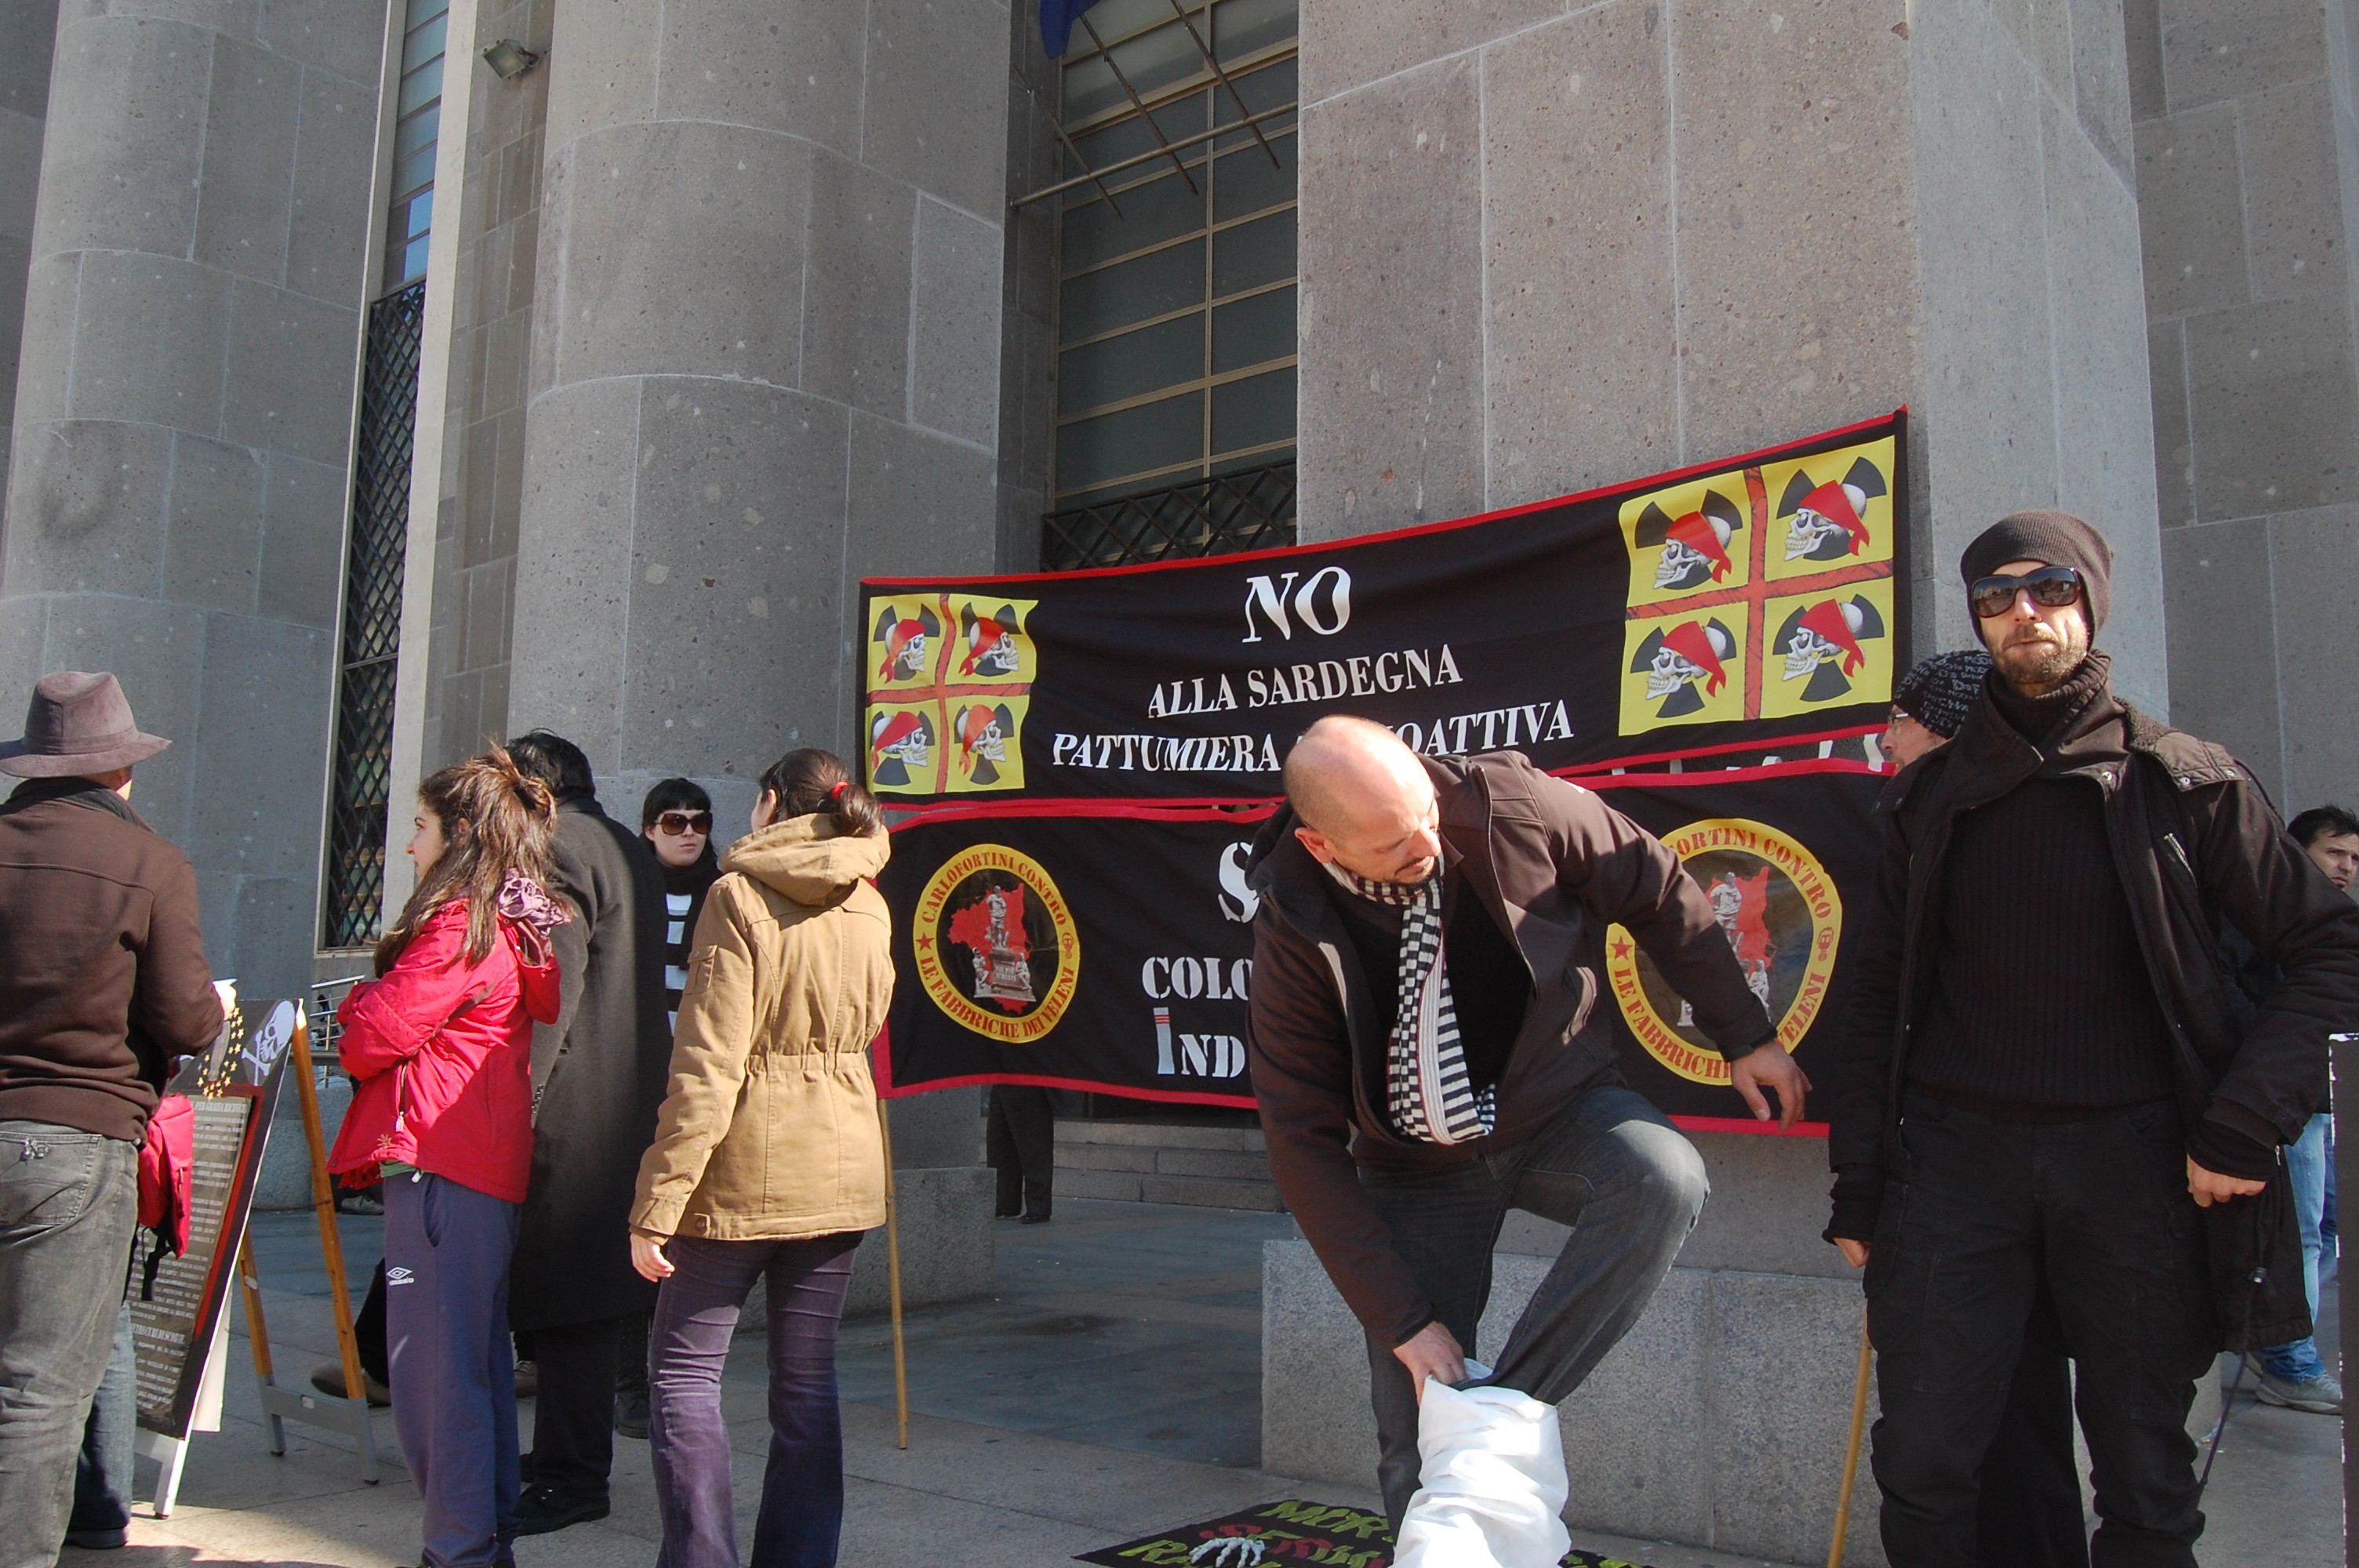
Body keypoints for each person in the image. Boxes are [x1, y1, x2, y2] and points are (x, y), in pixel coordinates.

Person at [1826, 511, 2359, 1567]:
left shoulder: (2186, 779)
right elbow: (1877, 996)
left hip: (2136, 1167)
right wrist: (1861, 1183)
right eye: (1996, 595)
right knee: (1925, 1462)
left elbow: (2329, 948)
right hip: (1954, 1168)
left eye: (2050, 587)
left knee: (2144, 1474)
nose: (2023, 611)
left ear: (2092, 600)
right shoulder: (1926, 797)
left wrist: (2246, 1119)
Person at [1244, 715, 1809, 1526]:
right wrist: (1405, 1324)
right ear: (1321, 846)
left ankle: (1499, 1414)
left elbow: (1652, 883)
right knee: (1415, 1422)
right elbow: (1300, 1139)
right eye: (1394, 845)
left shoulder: (1507, 800)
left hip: (1557, 1108)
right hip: (1415, 1166)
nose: (1429, 847)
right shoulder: (1292, 924)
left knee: (1662, 1178)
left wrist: (1745, 1034)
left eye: (1425, 815)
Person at [628, 749, 894, 1568]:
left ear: (771, 802)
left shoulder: (736, 895)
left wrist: (657, 1201)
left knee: (682, 1374)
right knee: (807, 1381)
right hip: (841, 1161)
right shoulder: (869, 898)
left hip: (741, 1168)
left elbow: (708, 1062)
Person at [0, 671, 231, 1568]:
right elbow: (185, 1020)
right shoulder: (150, 862)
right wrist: (214, 1011)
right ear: (122, 769)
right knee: (40, 1387)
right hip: (74, 1138)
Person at [326, 748, 565, 1568]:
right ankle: (478, 1539)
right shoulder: (505, 921)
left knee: (434, 1375)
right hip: (470, 1164)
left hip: (440, 1160)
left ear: (459, 832)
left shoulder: (461, 924)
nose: (409, 844)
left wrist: (358, 1000)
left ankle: (459, 1547)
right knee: (470, 1367)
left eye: (420, 826)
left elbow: (372, 1035)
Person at [1887, 647, 2089, 1568]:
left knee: (2010, 1405)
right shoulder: (1908, 818)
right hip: (1956, 1172)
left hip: (2027, 1171)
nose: (1885, 741)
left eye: (1899, 721)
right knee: (1969, 1422)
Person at [502, 731, 670, 1533]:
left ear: (535, 791)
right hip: (625, 1092)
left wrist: (521, 1099)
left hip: (576, 1101)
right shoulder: (625, 845)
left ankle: (572, 1474)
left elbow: (553, 986)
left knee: (571, 1302)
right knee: (584, 1299)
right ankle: (563, 1453)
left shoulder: (560, 846)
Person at [614, 777, 727, 1440]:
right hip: (631, 1083)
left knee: (681, 1247)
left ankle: (668, 1382)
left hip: (697, 1083)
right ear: (649, 829)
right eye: (674, 821)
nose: (688, 832)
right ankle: (628, 1385)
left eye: (699, 822)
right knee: (636, 1237)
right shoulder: (628, 888)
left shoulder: (726, 892)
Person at [2243, 803, 2359, 1415]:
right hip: (2296, 1103)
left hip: (2330, 1099)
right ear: (2297, 852)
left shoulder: (2332, 921)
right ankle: (2290, 1357)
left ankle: (2275, 1331)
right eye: (2335, 852)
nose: (2347, 867)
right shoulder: (2270, 917)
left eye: (2355, 858)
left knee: (2330, 1226)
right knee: (2305, 1233)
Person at [986, 1084, 1056, 1223]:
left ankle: (1038, 1206)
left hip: (1027, 1080)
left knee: (1033, 1145)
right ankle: (1004, 1202)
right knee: (999, 1145)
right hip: (1001, 1080)